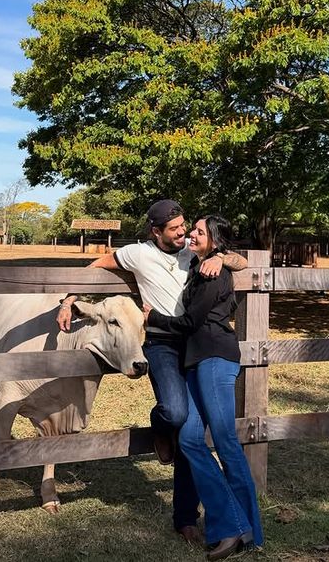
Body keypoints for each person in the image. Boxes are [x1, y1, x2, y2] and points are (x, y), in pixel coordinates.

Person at [56, 200, 248, 547]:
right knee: (175, 414)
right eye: (175, 229)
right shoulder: (137, 254)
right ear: (155, 231)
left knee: (191, 432)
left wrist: (221, 257)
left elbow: (241, 259)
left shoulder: (193, 253)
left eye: (186, 226)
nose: (184, 233)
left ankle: (186, 518)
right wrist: (70, 298)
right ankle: (160, 426)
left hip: (192, 345)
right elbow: (98, 263)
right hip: (160, 344)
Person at [143, 214, 263, 561]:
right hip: (195, 363)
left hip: (214, 359)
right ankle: (233, 524)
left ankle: (244, 530)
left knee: (225, 441)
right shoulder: (200, 267)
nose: (190, 234)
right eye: (190, 229)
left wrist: (153, 319)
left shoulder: (215, 272)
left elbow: (190, 322)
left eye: (198, 231)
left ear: (214, 240)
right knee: (191, 440)